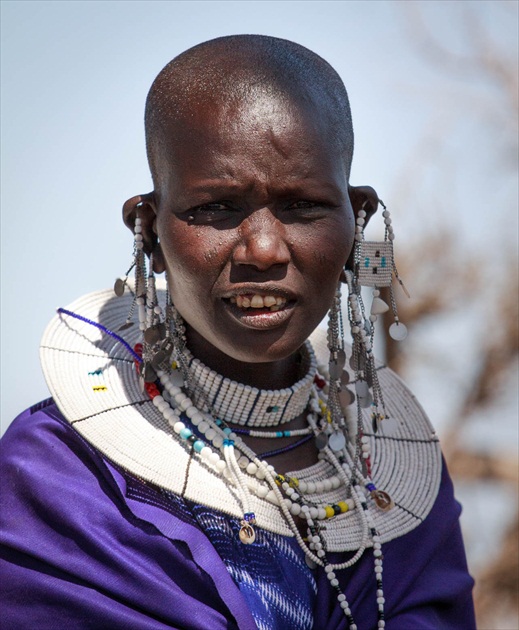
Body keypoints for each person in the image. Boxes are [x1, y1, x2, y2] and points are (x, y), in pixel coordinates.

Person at [0, 35, 475, 629]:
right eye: (216, 208)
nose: (264, 250)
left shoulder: (398, 490)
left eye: (303, 206)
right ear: (147, 228)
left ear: (358, 222)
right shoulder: (60, 477)